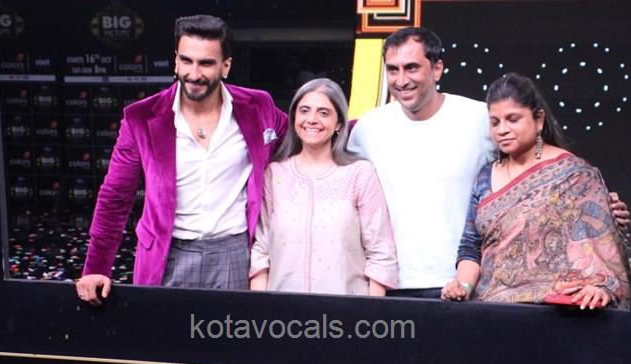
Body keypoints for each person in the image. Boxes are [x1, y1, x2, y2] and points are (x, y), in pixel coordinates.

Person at [348, 26, 631, 298]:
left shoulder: (481, 119)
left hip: (465, 286)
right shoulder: (367, 129)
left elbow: (538, 180)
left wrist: (598, 208)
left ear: (437, 69)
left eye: (411, 67)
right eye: (392, 69)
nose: (401, 80)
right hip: (389, 284)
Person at [76, 15, 287, 305]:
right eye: (186, 61)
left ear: (226, 66)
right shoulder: (140, 117)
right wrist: (96, 267)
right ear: (175, 60)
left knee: (231, 335)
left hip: (235, 255)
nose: (194, 73)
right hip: (167, 256)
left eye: (206, 63)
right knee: (163, 334)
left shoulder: (259, 106)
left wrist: (351, 129)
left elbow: (305, 134)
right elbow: (115, 197)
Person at [441, 73, 630, 309]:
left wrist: (598, 285)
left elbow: (600, 246)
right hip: (492, 311)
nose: (502, 129)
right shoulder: (485, 176)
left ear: (539, 120)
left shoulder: (575, 176)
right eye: (495, 122)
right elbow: (471, 246)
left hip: (557, 312)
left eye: (513, 119)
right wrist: (463, 286)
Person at [249, 79, 397, 295]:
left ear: (339, 124)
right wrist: (259, 305)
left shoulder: (359, 174)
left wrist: (372, 310)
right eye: (304, 110)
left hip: (346, 308)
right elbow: (261, 250)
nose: (312, 119)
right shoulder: (275, 174)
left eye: (324, 113)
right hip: (282, 308)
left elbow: (380, 251)